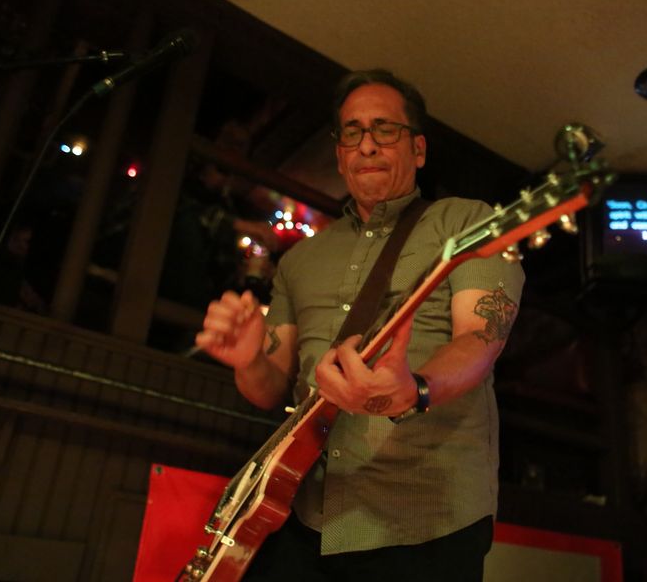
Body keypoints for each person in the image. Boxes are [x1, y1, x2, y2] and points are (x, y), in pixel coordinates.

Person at [196, 69, 525, 582]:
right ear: (339, 154)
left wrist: (414, 389)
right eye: (352, 132)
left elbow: (479, 339)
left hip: (426, 515)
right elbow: (268, 388)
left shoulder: (467, 222)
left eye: (384, 129)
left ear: (418, 149)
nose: (367, 144)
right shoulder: (299, 260)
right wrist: (247, 359)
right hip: (298, 514)